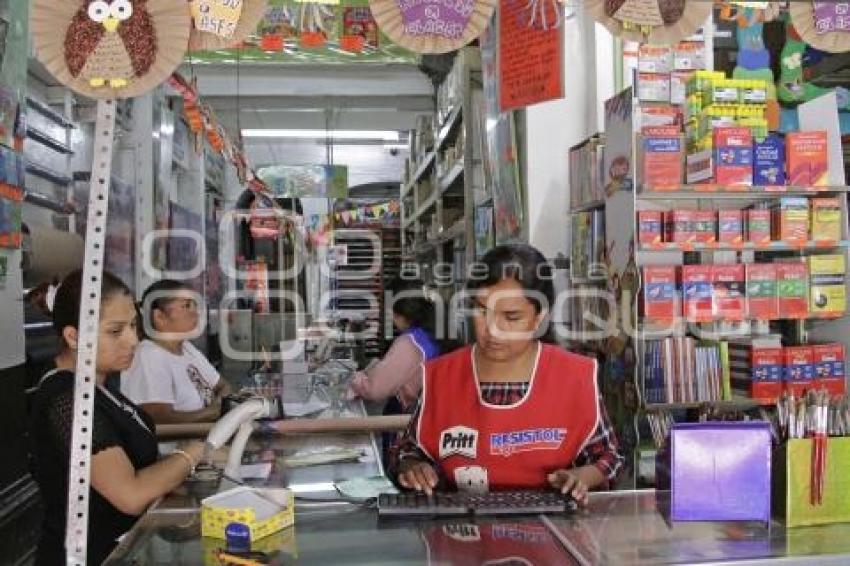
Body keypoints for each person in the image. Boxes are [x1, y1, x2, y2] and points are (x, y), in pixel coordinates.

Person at [394, 244, 624, 505]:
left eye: (511, 317)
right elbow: (408, 450)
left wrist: (582, 476)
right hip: (460, 534)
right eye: (482, 311)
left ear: (539, 318)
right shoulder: (440, 377)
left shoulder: (575, 376)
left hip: (552, 535)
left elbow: (610, 457)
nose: (493, 329)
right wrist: (412, 468)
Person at [29, 270, 206, 564]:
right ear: (73, 336)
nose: (133, 340)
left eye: (134, 326)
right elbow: (131, 494)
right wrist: (194, 453)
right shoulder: (66, 399)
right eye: (115, 331)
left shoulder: (101, 387)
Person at [121, 280, 230, 424]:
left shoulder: (187, 348)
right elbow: (157, 418)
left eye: (195, 305)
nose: (195, 312)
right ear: (159, 317)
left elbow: (223, 386)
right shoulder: (149, 356)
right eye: (186, 306)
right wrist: (211, 413)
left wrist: (219, 407)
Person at [347, 276, 440, 409]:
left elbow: (374, 389)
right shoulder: (430, 334)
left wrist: (354, 379)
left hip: (407, 418)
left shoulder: (410, 343)